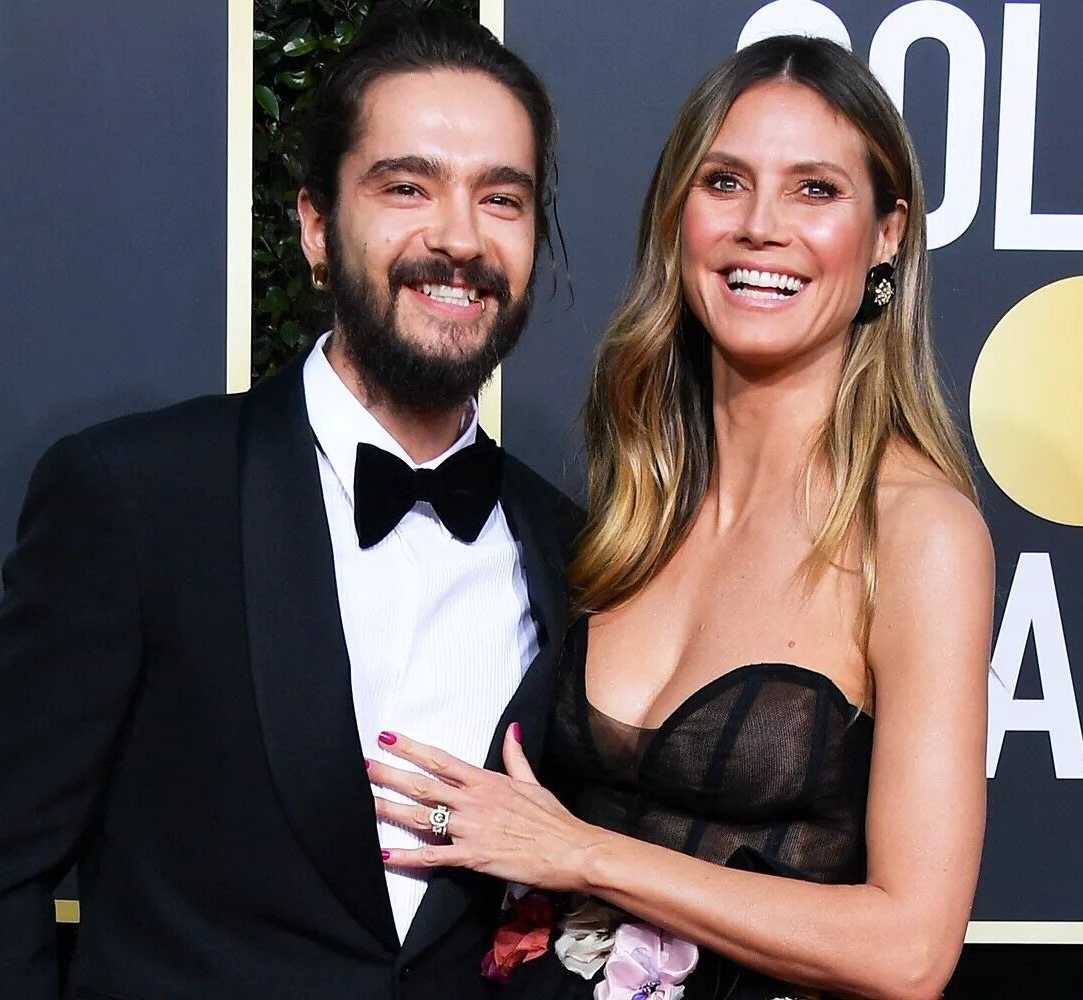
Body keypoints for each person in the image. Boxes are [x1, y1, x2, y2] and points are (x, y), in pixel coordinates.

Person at [0, 8, 577, 998]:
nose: (458, 237)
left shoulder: (573, 551)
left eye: (502, 198)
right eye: (407, 186)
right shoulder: (136, 497)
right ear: (316, 225)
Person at [365, 35, 994, 1000]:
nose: (761, 227)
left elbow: (909, 949)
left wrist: (584, 856)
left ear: (887, 234)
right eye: (725, 181)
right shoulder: (628, 504)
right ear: (678, 217)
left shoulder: (918, 533)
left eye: (815, 191)